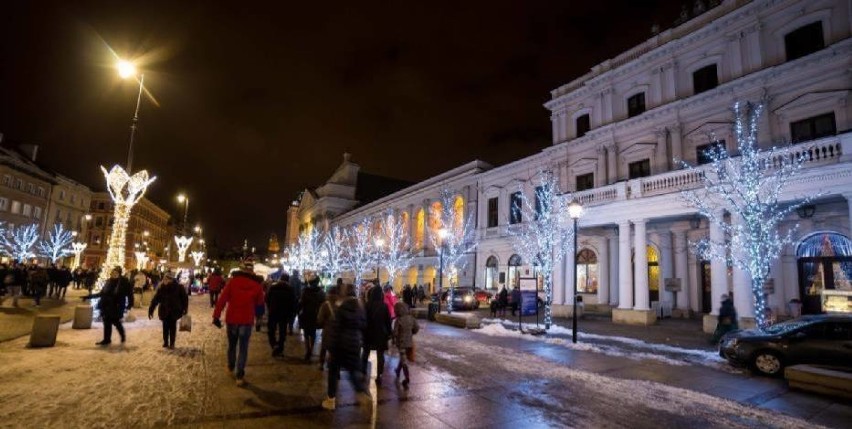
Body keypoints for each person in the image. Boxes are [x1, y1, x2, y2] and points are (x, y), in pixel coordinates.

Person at [213, 261, 265, 386]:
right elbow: (260, 305)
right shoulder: (257, 285)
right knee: (243, 348)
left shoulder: (232, 282)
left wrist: (216, 316)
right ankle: (239, 375)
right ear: (252, 271)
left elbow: (222, 299)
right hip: (246, 321)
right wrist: (258, 319)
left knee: (232, 345)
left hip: (232, 319)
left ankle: (231, 366)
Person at [322, 283, 370, 411]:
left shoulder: (340, 307)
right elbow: (364, 325)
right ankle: (361, 391)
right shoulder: (360, 308)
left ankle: (331, 399)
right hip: (354, 343)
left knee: (333, 371)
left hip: (339, 345)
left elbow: (335, 329)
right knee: (353, 370)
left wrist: (330, 348)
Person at [84, 266, 134, 346]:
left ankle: (122, 336)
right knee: (107, 323)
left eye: (116, 273)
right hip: (106, 305)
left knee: (116, 322)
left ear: (119, 274)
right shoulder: (108, 281)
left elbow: (130, 295)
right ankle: (107, 339)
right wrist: (88, 297)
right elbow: (101, 293)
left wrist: (130, 304)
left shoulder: (124, 282)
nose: (113, 274)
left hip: (116, 306)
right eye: (112, 273)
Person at [148, 272, 188, 349]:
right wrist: (151, 309)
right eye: (164, 279)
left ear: (171, 280)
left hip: (174, 311)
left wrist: (185, 309)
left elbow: (184, 299)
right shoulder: (161, 288)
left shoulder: (179, 287)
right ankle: (166, 342)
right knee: (165, 327)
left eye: (166, 279)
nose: (164, 280)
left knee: (172, 327)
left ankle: (172, 343)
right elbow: (155, 300)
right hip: (164, 311)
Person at [361, 285, 391, 386]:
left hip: (368, 333)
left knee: (365, 353)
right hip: (380, 334)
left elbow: (363, 319)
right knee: (380, 356)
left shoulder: (367, 305)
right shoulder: (384, 306)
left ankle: (363, 371)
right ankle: (379, 375)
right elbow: (388, 322)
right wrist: (389, 333)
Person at [265, 273, 296, 357]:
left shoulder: (273, 287)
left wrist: (270, 307)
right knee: (282, 331)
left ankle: (274, 344)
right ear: (288, 280)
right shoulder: (290, 289)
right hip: (284, 313)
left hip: (273, 312)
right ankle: (280, 347)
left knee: (271, 330)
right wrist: (291, 312)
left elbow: (267, 299)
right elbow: (293, 302)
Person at [297, 276, 325, 362]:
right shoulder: (321, 292)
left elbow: (301, 303)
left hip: (306, 314)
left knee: (306, 333)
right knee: (313, 334)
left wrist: (298, 311)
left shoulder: (305, 291)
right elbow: (323, 304)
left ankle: (307, 349)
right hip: (315, 315)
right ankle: (311, 349)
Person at [392, 301, 419, 388]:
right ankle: (397, 371)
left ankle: (407, 378)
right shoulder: (411, 318)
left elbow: (395, 332)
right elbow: (416, 328)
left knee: (403, 360)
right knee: (402, 357)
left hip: (401, 343)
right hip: (409, 342)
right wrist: (412, 332)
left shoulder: (398, 320)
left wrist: (393, 339)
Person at [316, 285, 339, 371]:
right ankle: (333, 365)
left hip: (327, 330)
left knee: (324, 347)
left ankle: (321, 363)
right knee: (335, 350)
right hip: (337, 331)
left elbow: (320, 319)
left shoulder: (325, 304)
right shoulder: (340, 304)